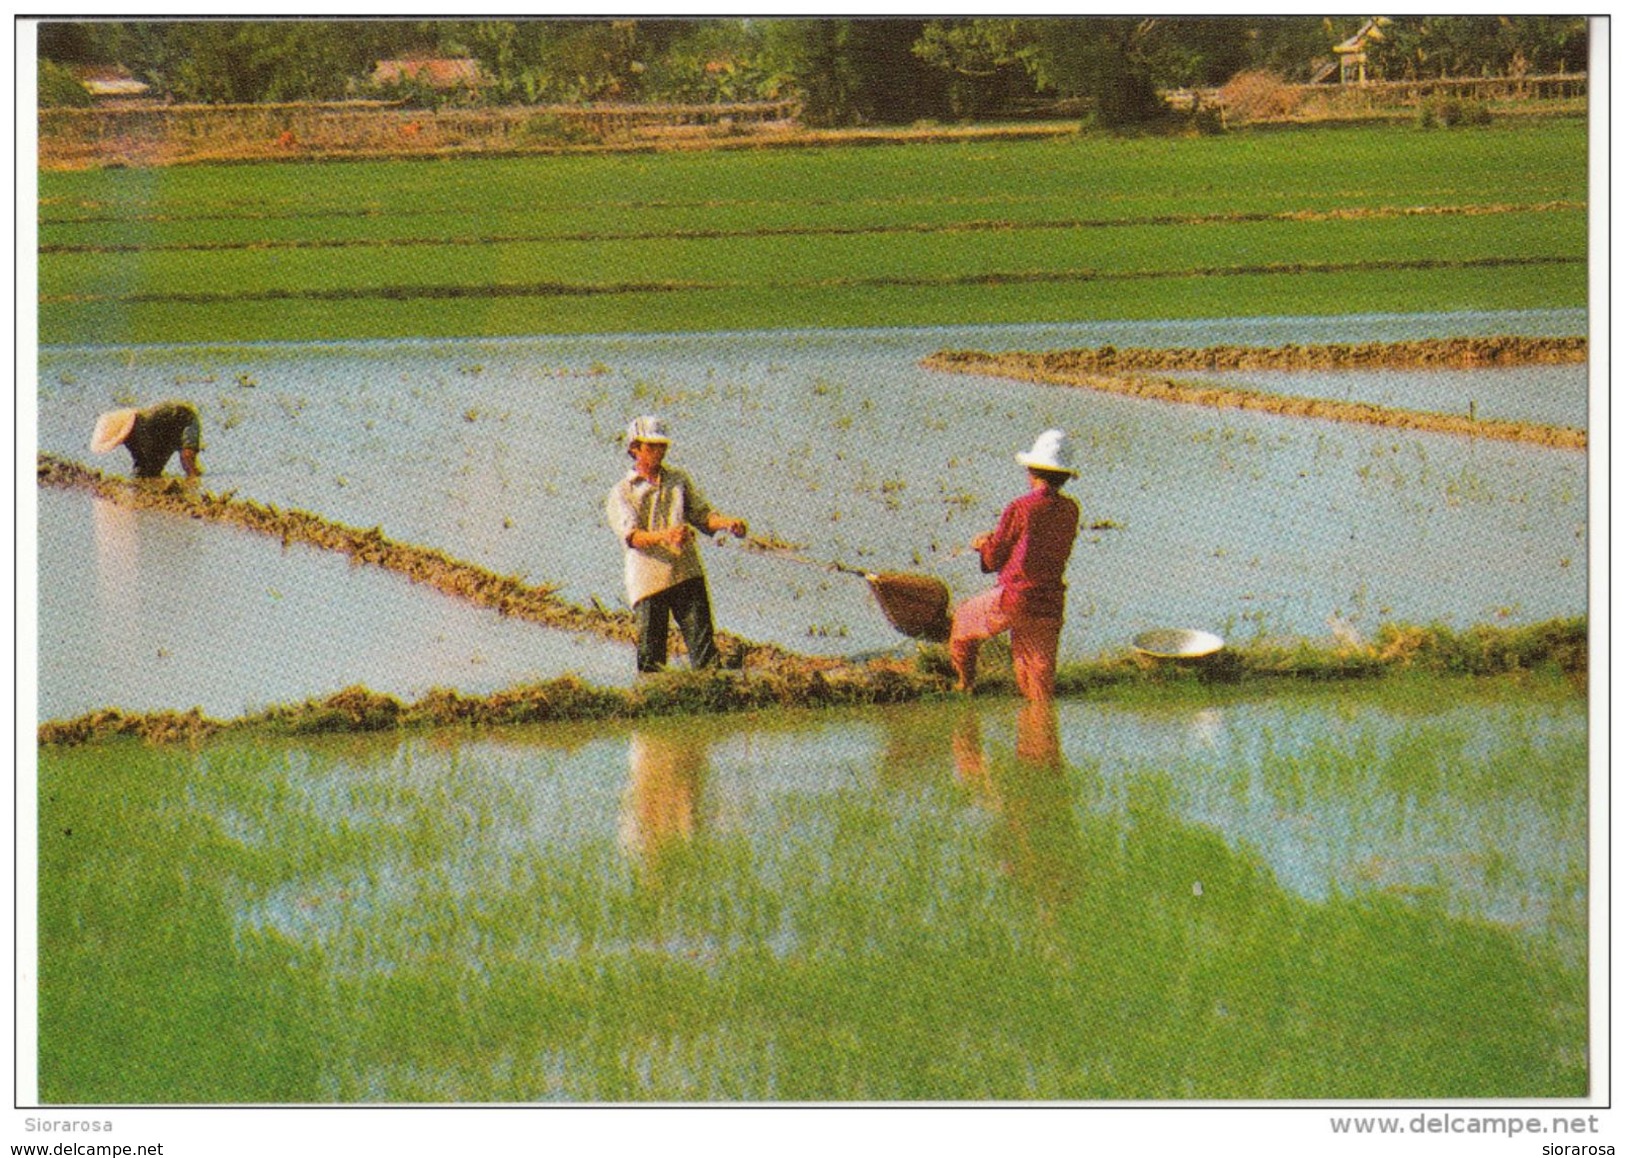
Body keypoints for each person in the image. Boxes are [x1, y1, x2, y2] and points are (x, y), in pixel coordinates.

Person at [607, 415, 748, 674]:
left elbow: (702, 516)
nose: (658, 452)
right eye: (651, 447)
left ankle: (712, 694)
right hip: (649, 581)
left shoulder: (678, 480)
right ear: (634, 449)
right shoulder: (622, 492)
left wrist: (728, 523)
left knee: (705, 655)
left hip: (685, 573)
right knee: (652, 660)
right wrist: (667, 535)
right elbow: (633, 537)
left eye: (662, 446)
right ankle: (654, 702)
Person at [950, 428, 1081, 700]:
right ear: (1066, 477)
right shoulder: (1071, 510)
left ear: (1031, 471)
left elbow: (995, 558)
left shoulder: (1021, 507)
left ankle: (965, 684)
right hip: (1050, 602)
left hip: (1016, 598)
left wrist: (982, 545)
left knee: (963, 621)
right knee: (1037, 681)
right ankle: (1041, 731)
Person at [90, 401, 203, 479]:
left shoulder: (142, 425)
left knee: (187, 459)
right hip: (165, 433)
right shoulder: (133, 437)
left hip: (184, 419)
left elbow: (145, 454)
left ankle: (195, 485)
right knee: (149, 472)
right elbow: (140, 459)